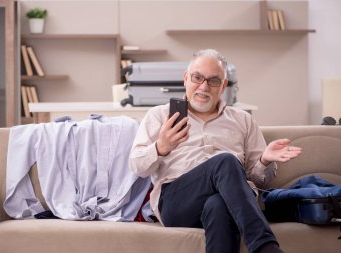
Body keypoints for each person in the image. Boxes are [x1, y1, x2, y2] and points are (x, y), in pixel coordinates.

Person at [129, 49, 302, 253]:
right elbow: (137, 166)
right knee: (225, 161)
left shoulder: (243, 120)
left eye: (213, 81)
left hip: (228, 201)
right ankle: (266, 247)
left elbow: (261, 181)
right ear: (186, 78)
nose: (203, 87)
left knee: (219, 205)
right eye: (197, 77)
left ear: (222, 86)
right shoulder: (159, 115)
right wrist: (161, 147)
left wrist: (264, 160)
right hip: (177, 202)